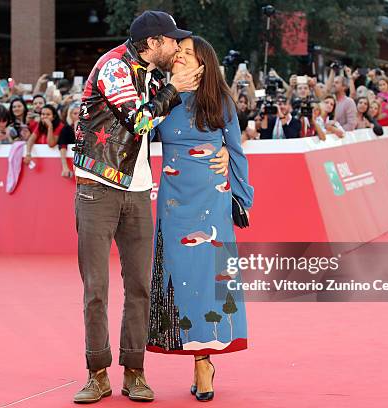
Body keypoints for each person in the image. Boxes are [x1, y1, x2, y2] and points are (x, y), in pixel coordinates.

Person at [71, 10, 229, 404]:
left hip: (139, 188)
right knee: (96, 288)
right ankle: (97, 373)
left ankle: (135, 372)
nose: (177, 47)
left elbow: (188, 119)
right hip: (97, 187)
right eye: (172, 40)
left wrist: (221, 147)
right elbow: (141, 121)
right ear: (153, 43)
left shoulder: (154, 75)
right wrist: (173, 86)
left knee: (140, 286)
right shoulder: (113, 68)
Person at [146, 35, 253, 403]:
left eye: (187, 53)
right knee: (180, 276)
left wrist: (243, 197)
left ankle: (204, 361)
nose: (178, 56)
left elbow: (236, 149)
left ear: (203, 64)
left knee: (210, 278)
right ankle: (190, 348)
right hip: (173, 202)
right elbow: (138, 134)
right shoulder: (162, 97)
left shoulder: (219, 100)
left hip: (213, 200)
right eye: (177, 52)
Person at [49, 101, 79, 177]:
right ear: (70, 115)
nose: (78, 116)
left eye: (80, 113)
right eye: (75, 113)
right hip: (73, 164)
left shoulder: (91, 129)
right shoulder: (66, 129)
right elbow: (62, 146)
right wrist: (65, 167)